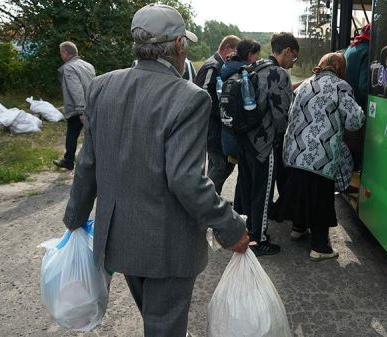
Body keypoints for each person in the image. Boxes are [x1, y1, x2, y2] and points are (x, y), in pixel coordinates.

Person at [61, 5, 249, 336]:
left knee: (155, 317)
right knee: (163, 325)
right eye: (185, 44)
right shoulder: (189, 97)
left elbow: (87, 162)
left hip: (119, 240)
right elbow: (186, 179)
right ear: (179, 46)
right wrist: (230, 226)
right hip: (167, 245)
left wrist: (74, 218)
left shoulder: (102, 86)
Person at [274, 52, 365, 261]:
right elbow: (354, 121)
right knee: (320, 199)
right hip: (320, 157)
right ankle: (320, 247)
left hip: (294, 152)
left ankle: (298, 228)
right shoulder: (340, 87)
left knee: (302, 189)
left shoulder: (305, 83)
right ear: (341, 69)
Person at [236, 32, 298, 256]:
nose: (293, 63)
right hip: (263, 142)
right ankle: (259, 239)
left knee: (249, 188)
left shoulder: (255, 67)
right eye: (294, 58)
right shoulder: (278, 73)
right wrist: (283, 136)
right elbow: (281, 114)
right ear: (287, 51)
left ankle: (250, 230)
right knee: (263, 192)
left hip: (244, 138)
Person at [220, 38, 262, 215]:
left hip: (228, 131)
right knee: (245, 176)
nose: (258, 60)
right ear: (250, 55)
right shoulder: (244, 74)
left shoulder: (226, 70)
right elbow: (249, 109)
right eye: (257, 56)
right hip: (240, 134)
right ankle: (241, 212)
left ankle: (237, 210)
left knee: (239, 175)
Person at [194, 35, 240, 194]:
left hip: (214, 127)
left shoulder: (218, 64)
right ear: (228, 48)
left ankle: (211, 202)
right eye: (235, 51)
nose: (236, 56)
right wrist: (222, 112)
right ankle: (205, 202)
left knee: (216, 165)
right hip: (211, 127)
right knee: (222, 166)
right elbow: (203, 95)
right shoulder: (213, 66)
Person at [53, 41, 95, 170]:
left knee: (72, 134)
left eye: (61, 53)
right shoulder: (88, 65)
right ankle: (96, 160)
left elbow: (75, 89)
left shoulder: (69, 67)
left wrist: (81, 110)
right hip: (92, 104)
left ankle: (69, 161)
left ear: (66, 53)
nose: (61, 56)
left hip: (78, 109)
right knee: (93, 135)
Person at [343, 24, 370, 173]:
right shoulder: (367, 52)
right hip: (356, 109)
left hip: (344, 109)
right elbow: (363, 87)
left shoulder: (351, 48)